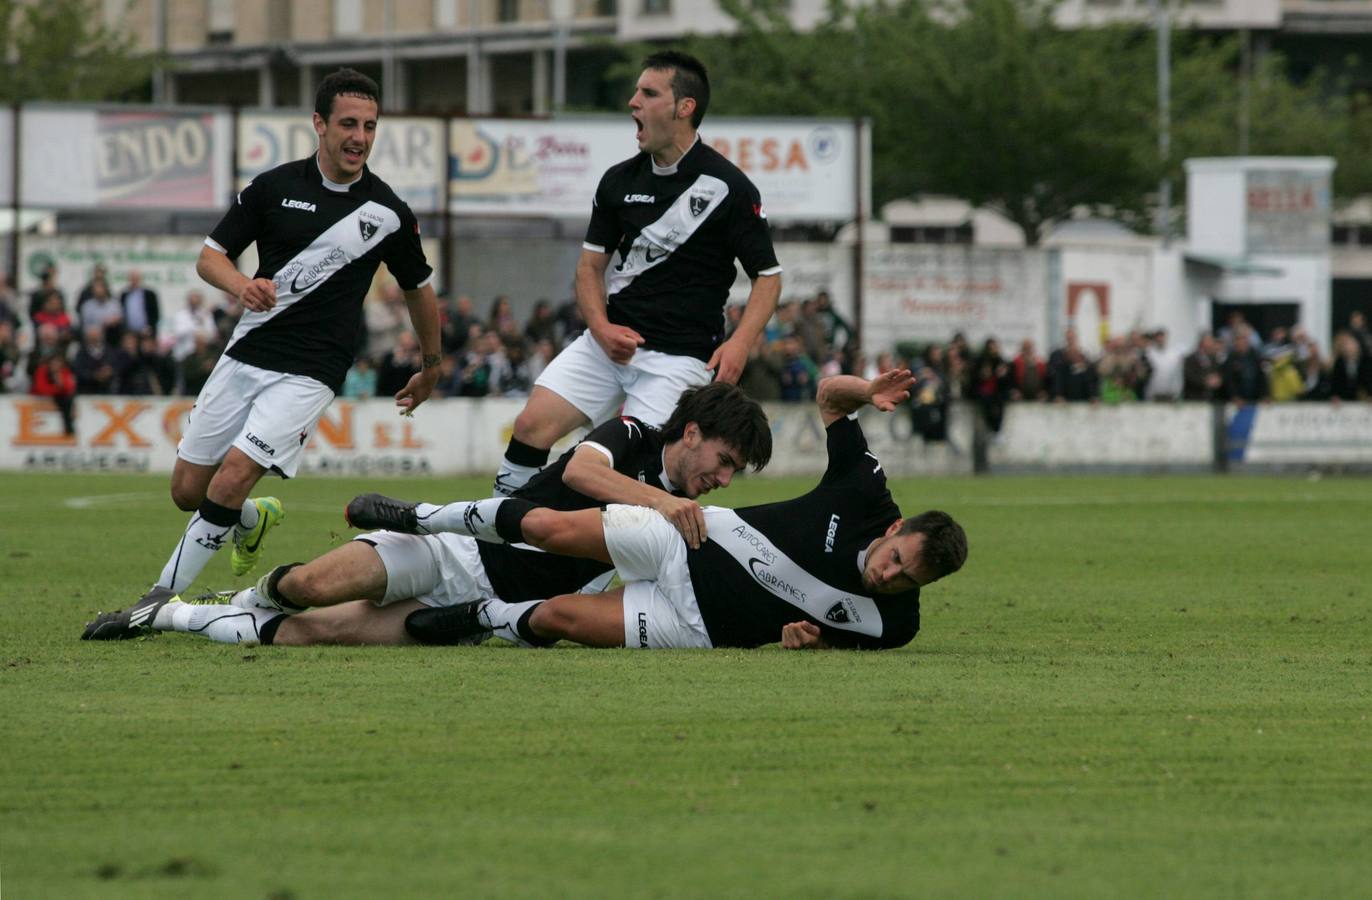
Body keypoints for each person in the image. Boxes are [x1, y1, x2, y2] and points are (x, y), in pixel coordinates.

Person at [82, 383, 772, 645]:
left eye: (732, 473)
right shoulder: (631, 437)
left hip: (483, 613)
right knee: (309, 588)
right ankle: (242, 595)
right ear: (690, 433)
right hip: (456, 551)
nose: (722, 479)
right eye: (724, 459)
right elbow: (585, 473)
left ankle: (171, 615)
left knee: (313, 636)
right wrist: (664, 501)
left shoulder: (680, 517)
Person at [339, 370, 968, 652]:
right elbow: (831, 400)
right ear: (895, 529)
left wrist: (806, 643)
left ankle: (481, 617)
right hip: (690, 541)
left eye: (909, 579)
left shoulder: (896, 626)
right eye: (896, 559)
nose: (890, 576)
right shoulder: (865, 490)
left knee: (559, 619)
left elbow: (825, 640)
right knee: (547, 524)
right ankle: (423, 516)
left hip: (699, 629)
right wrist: (867, 391)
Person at [134, 67, 442, 600]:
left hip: (313, 369)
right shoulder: (273, 188)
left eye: (370, 126)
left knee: (232, 476)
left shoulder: (388, 212)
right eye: (349, 123)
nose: (360, 138)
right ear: (319, 124)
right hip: (248, 351)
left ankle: (157, 599)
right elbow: (211, 257)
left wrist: (432, 365)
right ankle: (252, 521)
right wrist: (241, 285)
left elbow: (418, 289)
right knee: (189, 491)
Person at [492, 50, 782, 497]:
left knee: (640, 474)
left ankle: (644, 562)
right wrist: (601, 327)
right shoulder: (616, 182)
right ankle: (496, 534)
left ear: (684, 108)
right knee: (531, 425)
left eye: (648, 93)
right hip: (609, 344)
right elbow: (590, 267)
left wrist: (740, 342)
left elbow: (768, 276)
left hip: (679, 360)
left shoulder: (730, 188)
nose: (633, 102)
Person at [119, 269, 160, 337]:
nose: (134, 281)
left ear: (140, 279)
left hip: (147, 333)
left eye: (136, 278)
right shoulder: (124, 295)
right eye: (132, 278)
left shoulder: (150, 294)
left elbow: (155, 314)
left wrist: (149, 327)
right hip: (130, 335)